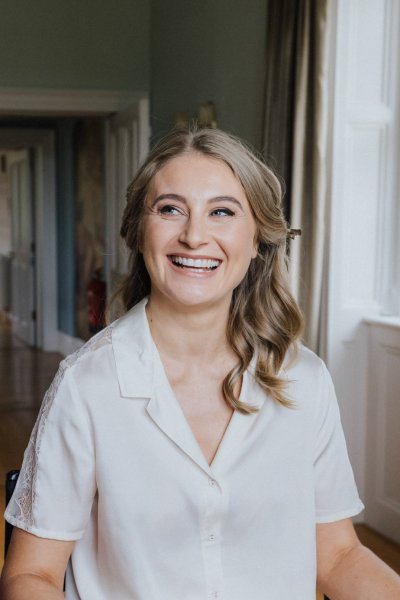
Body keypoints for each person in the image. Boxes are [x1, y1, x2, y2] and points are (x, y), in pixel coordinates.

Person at [1, 128, 400, 600]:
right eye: (170, 209)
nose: (194, 236)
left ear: (258, 240)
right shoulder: (87, 385)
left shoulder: (304, 380)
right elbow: (33, 575)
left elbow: (338, 556)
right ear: (138, 230)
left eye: (222, 212)